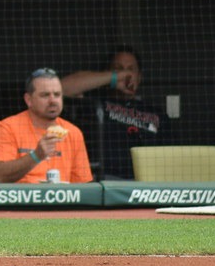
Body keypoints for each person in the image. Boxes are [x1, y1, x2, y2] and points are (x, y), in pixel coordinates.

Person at [62, 46, 166, 180]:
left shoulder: (155, 113)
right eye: (118, 69)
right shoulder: (94, 102)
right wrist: (115, 78)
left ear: (139, 77)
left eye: (130, 69)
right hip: (105, 179)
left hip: (146, 181)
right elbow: (62, 88)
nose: (126, 75)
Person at [0, 68, 92, 184]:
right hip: (22, 195)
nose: (52, 100)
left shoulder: (73, 132)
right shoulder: (7, 128)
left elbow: (83, 185)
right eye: (45, 95)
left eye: (57, 94)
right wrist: (36, 155)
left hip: (60, 195)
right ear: (28, 100)